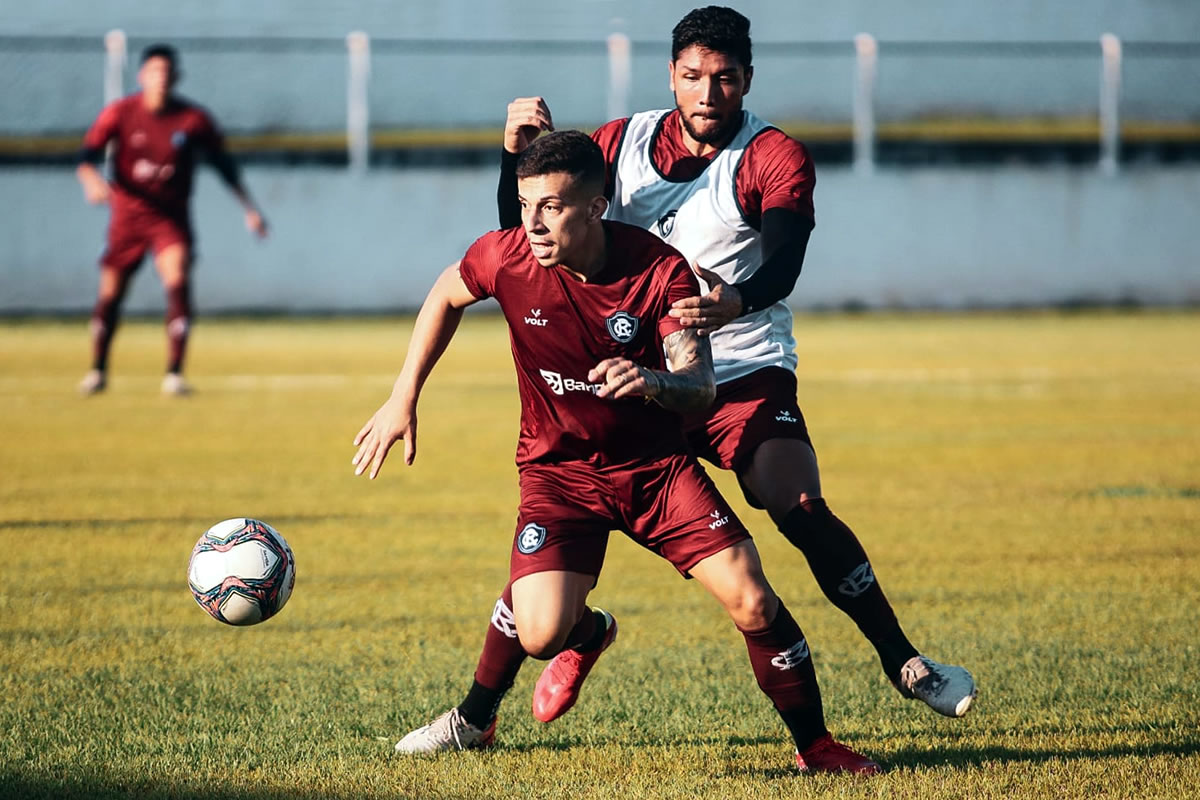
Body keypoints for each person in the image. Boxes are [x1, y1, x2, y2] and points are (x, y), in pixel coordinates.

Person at [493, 7, 977, 721]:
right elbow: (519, 236)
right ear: (672, 76)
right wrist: (516, 155)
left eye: (724, 79)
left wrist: (737, 298)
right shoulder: (617, 142)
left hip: (742, 365)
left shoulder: (772, 156)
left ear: (747, 79)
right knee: (561, 517)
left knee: (799, 505)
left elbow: (785, 258)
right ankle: (555, 652)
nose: (708, 94)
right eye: (693, 77)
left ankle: (902, 659)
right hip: (636, 377)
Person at [355, 131, 881, 774]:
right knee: (543, 632)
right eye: (525, 205)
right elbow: (445, 292)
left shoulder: (660, 272)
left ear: (597, 206)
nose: (533, 223)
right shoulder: (508, 256)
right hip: (559, 473)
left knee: (751, 597)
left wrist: (654, 380)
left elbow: (701, 387)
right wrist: (402, 395)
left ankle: (816, 748)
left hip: (655, 473)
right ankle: (515, 689)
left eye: (552, 206)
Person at [75, 43, 267, 396]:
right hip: (127, 218)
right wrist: (91, 181)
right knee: (111, 295)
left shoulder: (192, 120)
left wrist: (249, 208)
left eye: (166, 73)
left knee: (177, 280)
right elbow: (86, 156)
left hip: (170, 220)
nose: (160, 79)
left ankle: (174, 373)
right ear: (141, 76)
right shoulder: (120, 113)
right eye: (154, 72)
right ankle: (98, 370)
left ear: (176, 77)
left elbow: (224, 166)